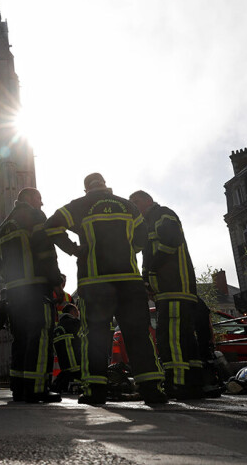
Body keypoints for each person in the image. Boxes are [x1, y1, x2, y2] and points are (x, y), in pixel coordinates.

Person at [44, 173, 166, 405]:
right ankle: (152, 389)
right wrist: (127, 251)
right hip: (129, 282)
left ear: (86, 189)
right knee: (139, 334)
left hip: (95, 283)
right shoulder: (128, 206)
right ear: (105, 185)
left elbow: (50, 226)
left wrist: (74, 249)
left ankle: (94, 391)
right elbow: (142, 239)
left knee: (95, 336)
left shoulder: (80, 205)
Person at [129, 190, 205, 400]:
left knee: (170, 338)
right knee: (185, 338)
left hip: (174, 287)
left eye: (137, 202)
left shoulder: (162, 214)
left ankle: (176, 383)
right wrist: (147, 280)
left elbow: (170, 241)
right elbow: (148, 255)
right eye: (132, 204)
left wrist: (152, 271)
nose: (135, 207)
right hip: (171, 290)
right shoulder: (147, 224)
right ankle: (195, 383)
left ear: (149, 201)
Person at [0, 187, 64, 403]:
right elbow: (45, 251)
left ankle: (18, 389)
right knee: (41, 336)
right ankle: (37, 389)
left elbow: (1, 264)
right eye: (39, 198)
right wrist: (56, 281)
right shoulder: (34, 217)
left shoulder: (3, 227)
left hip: (14, 292)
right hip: (35, 288)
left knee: (21, 339)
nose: (41, 204)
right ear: (28, 198)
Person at [51, 303, 81, 393]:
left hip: (65, 368)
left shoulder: (58, 327)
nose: (78, 314)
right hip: (78, 367)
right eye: (77, 312)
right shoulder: (75, 324)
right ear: (72, 311)